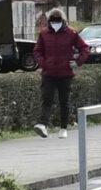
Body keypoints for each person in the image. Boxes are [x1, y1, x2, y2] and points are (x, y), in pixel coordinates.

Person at [33, 8, 89, 139]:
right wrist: (44, 63)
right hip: (49, 73)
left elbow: (85, 48)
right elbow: (37, 51)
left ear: (62, 20)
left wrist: (77, 62)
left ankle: (63, 128)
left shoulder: (71, 33)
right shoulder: (44, 34)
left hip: (65, 74)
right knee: (47, 99)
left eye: (57, 21)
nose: (55, 23)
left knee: (64, 101)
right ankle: (43, 125)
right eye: (52, 21)